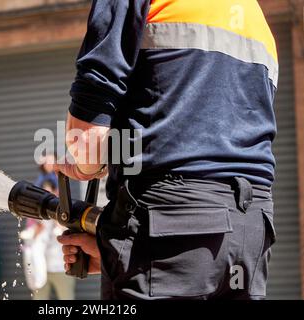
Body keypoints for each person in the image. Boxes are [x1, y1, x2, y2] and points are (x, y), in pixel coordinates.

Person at [56, 0, 278, 300]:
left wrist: (86, 168)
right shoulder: (253, 16)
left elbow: (88, 133)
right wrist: (119, 249)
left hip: (169, 215)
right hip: (250, 229)